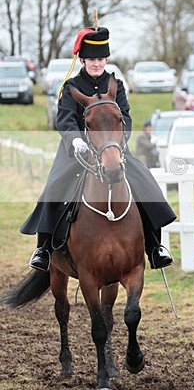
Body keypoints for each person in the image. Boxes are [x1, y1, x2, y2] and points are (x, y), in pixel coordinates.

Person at [22, 25, 176, 272]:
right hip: (78, 150)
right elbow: (65, 119)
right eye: (92, 59)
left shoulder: (116, 84)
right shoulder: (71, 86)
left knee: (145, 183)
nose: (96, 63)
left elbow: (125, 116)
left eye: (101, 59)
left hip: (114, 147)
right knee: (54, 186)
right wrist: (76, 140)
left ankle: (155, 247)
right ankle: (43, 248)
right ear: (82, 59)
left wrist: (119, 140)